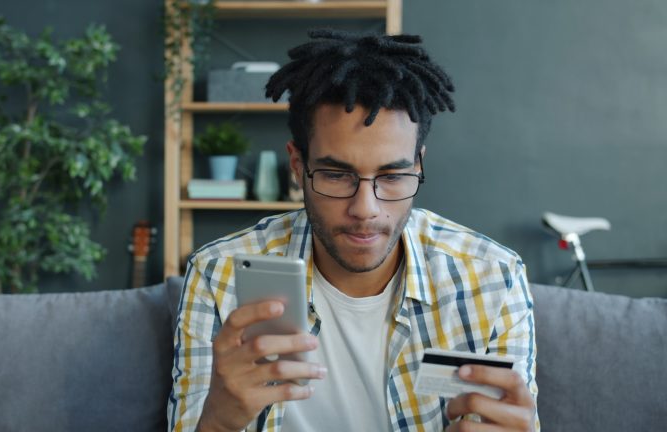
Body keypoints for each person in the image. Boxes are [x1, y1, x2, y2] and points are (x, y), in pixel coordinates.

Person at [168, 29, 539, 432]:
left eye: (393, 176)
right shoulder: (217, 274)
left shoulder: (494, 278)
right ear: (297, 167)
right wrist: (218, 421)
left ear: (419, 166)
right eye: (335, 174)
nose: (366, 209)